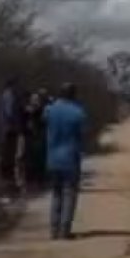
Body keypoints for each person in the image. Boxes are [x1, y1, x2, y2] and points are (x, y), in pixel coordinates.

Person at [44, 82, 87, 240]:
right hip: (70, 157)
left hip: (52, 156)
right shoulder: (78, 112)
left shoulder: (50, 110)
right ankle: (65, 229)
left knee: (56, 193)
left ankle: (53, 229)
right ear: (74, 94)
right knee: (69, 193)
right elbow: (82, 134)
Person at [0, 77, 24, 197]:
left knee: (8, 154)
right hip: (10, 130)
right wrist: (15, 124)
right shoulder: (9, 95)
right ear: (12, 85)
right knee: (9, 155)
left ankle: (8, 179)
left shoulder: (5, 95)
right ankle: (8, 181)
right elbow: (9, 112)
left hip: (6, 129)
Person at [22, 88, 49, 190]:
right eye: (34, 99)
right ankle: (31, 180)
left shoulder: (42, 109)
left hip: (39, 136)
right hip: (31, 136)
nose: (35, 101)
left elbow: (44, 120)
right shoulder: (28, 110)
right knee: (30, 159)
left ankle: (39, 180)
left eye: (37, 99)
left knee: (39, 159)